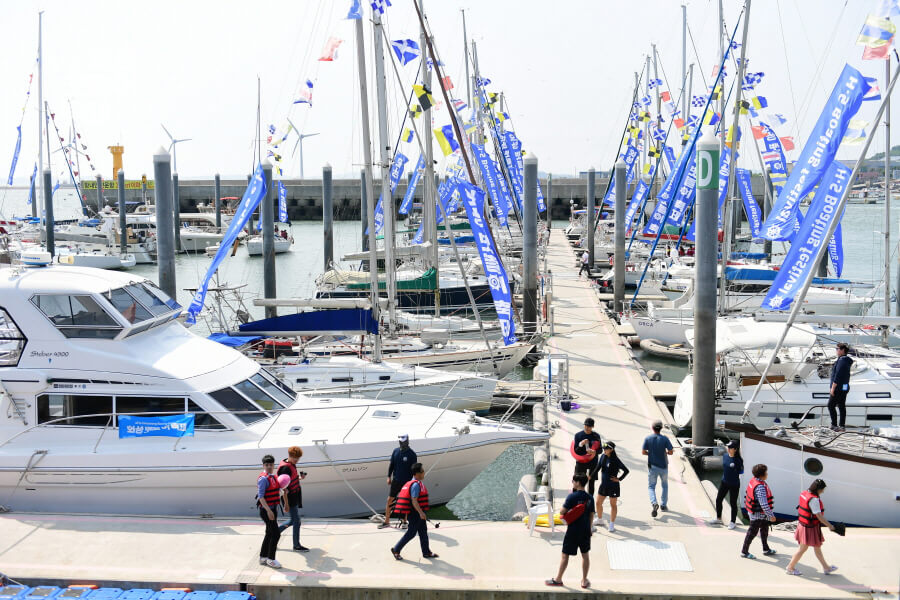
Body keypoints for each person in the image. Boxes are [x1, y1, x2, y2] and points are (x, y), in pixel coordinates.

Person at [546, 473, 594, 589]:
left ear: (578, 483)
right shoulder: (590, 497)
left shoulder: (571, 497)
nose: (572, 482)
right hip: (585, 531)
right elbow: (591, 515)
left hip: (573, 530)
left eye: (573, 481)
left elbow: (562, 512)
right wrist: (590, 528)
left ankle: (558, 579)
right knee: (585, 555)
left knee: (565, 555)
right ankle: (583, 581)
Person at [785, 479, 838, 576]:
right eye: (822, 489)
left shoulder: (805, 493)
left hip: (805, 525)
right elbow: (819, 516)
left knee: (817, 547)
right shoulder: (814, 500)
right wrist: (830, 526)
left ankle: (826, 568)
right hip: (809, 528)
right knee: (802, 549)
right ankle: (790, 567)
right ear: (818, 489)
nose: (823, 491)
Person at [390, 462, 438, 560]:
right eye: (422, 471)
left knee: (423, 532)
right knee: (411, 533)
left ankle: (426, 552)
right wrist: (421, 513)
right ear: (417, 473)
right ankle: (396, 549)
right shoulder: (416, 485)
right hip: (415, 514)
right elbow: (414, 500)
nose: (424, 472)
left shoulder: (417, 483)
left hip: (418, 513)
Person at [380, 434, 417, 529]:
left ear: (407, 441)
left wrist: (413, 483)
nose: (401, 442)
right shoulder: (395, 451)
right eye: (400, 441)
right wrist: (389, 477)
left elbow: (414, 471)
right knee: (390, 500)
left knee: (405, 502)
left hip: (407, 483)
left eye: (403, 441)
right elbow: (391, 465)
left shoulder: (412, 454)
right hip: (396, 481)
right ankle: (386, 522)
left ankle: (405, 522)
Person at [740, 463, 777, 559]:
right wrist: (771, 516)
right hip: (757, 515)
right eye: (766, 472)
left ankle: (766, 549)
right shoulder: (760, 487)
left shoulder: (755, 481)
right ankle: (744, 552)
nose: (767, 474)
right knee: (752, 533)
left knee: (765, 530)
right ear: (762, 475)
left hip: (761, 514)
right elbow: (763, 504)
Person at [277, 446, 309, 552]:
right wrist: (286, 504)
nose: (297, 461)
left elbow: (290, 481)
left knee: (294, 520)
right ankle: (296, 545)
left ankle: (274, 533)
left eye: (298, 459)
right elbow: (283, 489)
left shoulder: (291, 464)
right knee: (296, 521)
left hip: (294, 496)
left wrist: (300, 478)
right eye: (296, 459)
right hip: (289, 498)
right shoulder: (285, 468)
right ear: (290, 456)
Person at [708, 441, 744, 530]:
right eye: (728, 447)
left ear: (735, 449)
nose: (728, 449)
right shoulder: (725, 456)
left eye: (730, 448)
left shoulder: (738, 460)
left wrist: (734, 469)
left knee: (733, 503)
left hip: (734, 484)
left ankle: (732, 522)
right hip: (724, 482)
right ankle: (718, 518)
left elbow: (741, 472)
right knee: (718, 499)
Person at [594, 441, 629, 532]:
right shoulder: (602, 457)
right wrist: (591, 476)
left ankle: (612, 524)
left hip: (613, 486)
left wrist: (619, 479)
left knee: (613, 505)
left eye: (606, 449)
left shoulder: (615, 460)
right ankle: (600, 519)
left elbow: (626, 470)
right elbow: (598, 467)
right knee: (598, 503)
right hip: (603, 485)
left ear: (611, 450)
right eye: (603, 449)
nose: (604, 450)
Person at [641, 420, 673, 517]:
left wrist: (650, 453)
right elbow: (671, 452)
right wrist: (666, 453)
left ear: (652, 428)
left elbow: (643, 452)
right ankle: (663, 505)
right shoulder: (665, 439)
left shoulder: (648, 438)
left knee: (651, 487)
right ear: (661, 428)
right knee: (664, 486)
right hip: (663, 467)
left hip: (652, 467)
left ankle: (654, 503)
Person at [257, 455, 284, 569]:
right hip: (266, 510)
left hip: (273, 508)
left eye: (271, 465)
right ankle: (271, 559)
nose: (269, 467)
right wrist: (268, 511)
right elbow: (261, 497)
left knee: (269, 533)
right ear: (263, 465)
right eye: (266, 465)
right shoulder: (263, 479)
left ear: (274, 465)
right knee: (276, 534)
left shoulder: (272, 477)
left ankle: (263, 557)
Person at [572, 418, 602, 496]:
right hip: (581, 461)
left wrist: (594, 452)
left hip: (593, 461)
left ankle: (590, 499)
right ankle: (575, 499)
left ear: (593, 427)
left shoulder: (596, 436)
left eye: (589, 426)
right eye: (585, 425)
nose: (587, 427)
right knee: (578, 481)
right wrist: (580, 444)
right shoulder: (578, 435)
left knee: (591, 482)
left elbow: (600, 450)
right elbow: (576, 451)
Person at [828, 343, 853, 431]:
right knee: (841, 406)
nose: (836, 350)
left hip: (838, 388)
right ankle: (842, 426)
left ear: (842, 350)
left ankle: (834, 425)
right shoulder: (846, 360)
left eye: (837, 348)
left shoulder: (842, 360)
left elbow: (838, 375)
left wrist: (833, 388)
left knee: (831, 405)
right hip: (844, 387)